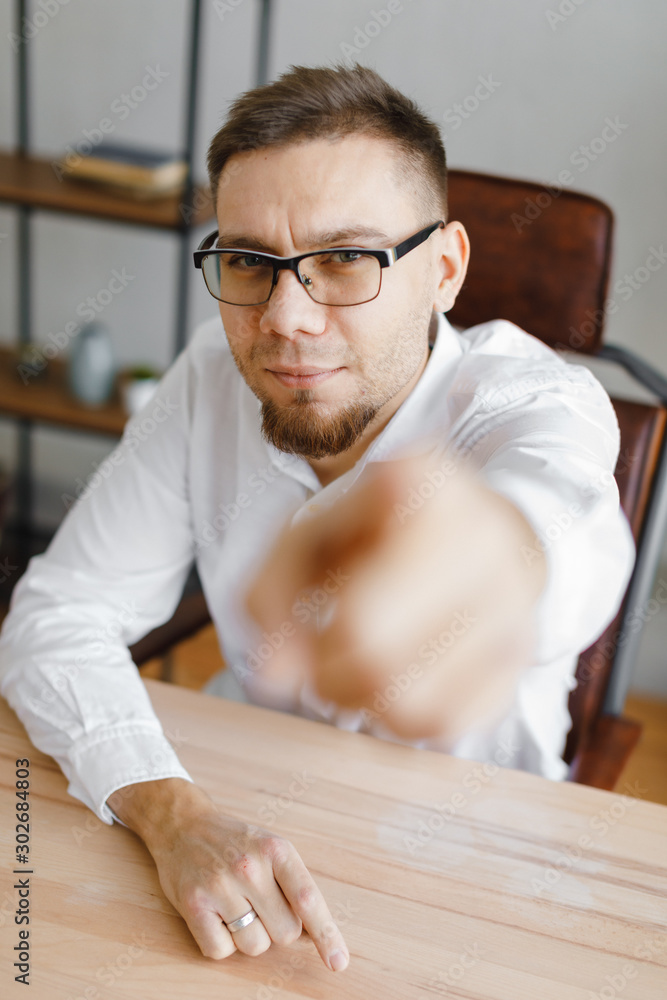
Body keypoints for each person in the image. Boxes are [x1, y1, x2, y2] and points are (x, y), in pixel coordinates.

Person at [0, 64, 634, 973]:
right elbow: (56, 617)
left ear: (444, 270)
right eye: (251, 263)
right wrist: (170, 809)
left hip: (469, 871)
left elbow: (560, 524)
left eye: (346, 259)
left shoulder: (536, 402)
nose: (286, 319)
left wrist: (494, 568)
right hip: (229, 815)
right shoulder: (210, 379)